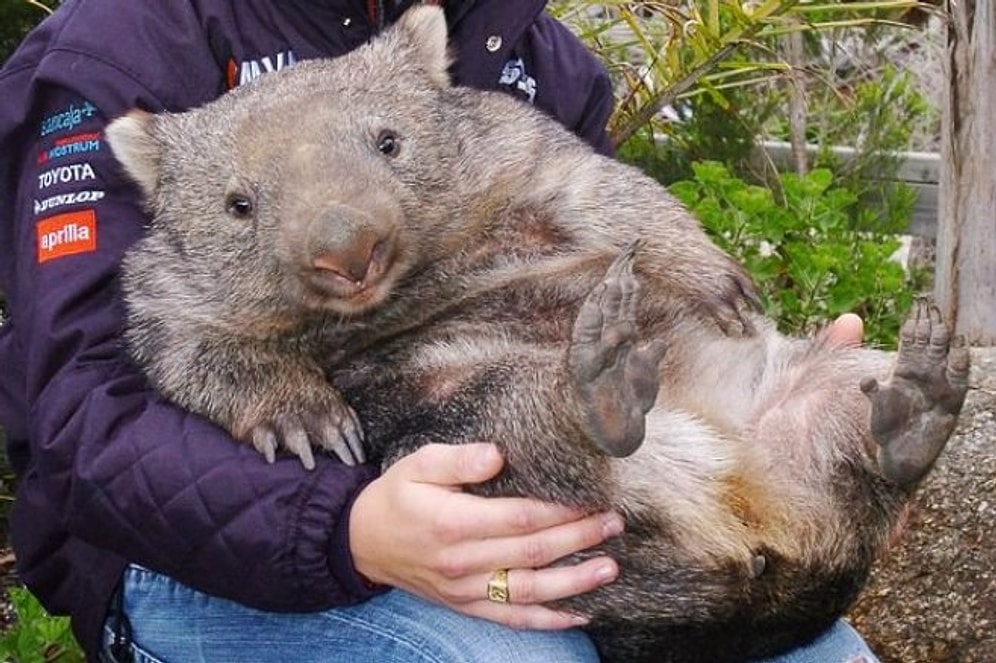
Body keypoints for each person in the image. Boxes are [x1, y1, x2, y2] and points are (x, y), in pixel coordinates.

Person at [0, 1, 879, 661]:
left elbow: (599, 239)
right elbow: (82, 418)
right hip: (193, 551)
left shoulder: (520, 45)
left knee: (826, 651)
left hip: (530, 480)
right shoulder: (121, 51)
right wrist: (346, 531)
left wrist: (779, 436)